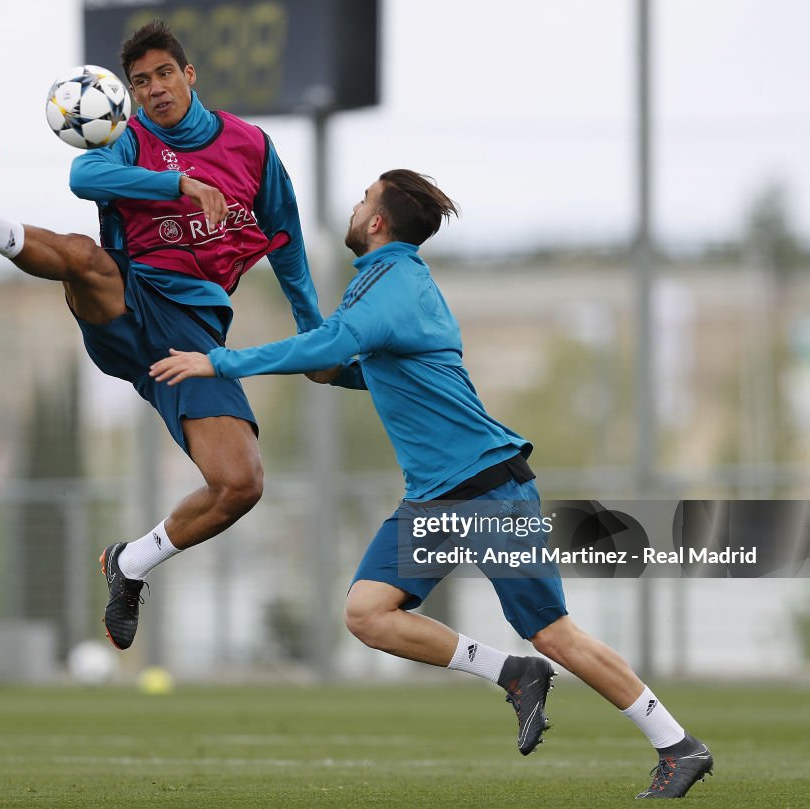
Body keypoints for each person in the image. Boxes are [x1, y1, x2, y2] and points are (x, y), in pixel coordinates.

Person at [149, 170, 715, 799]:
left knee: (555, 632)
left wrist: (219, 361)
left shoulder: (396, 283)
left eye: (365, 198)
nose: (357, 204)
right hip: (436, 496)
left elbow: (335, 344)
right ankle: (513, 674)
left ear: (378, 223)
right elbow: (350, 367)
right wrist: (308, 312)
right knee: (368, 613)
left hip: (486, 487)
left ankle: (678, 744)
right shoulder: (382, 284)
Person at [0, 20, 323, 652]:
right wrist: (177, 183)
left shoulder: (250, 146)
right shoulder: (128, 137)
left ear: (189, 74)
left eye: (164, 74)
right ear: (132, 94)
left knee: (242, 483)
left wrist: (312, 332)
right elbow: (83, 180)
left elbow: (286, 239)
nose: (155, 90)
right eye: (141, 82)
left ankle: (131, 563)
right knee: (85, 260)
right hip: (132, 293)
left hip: (191, 334)